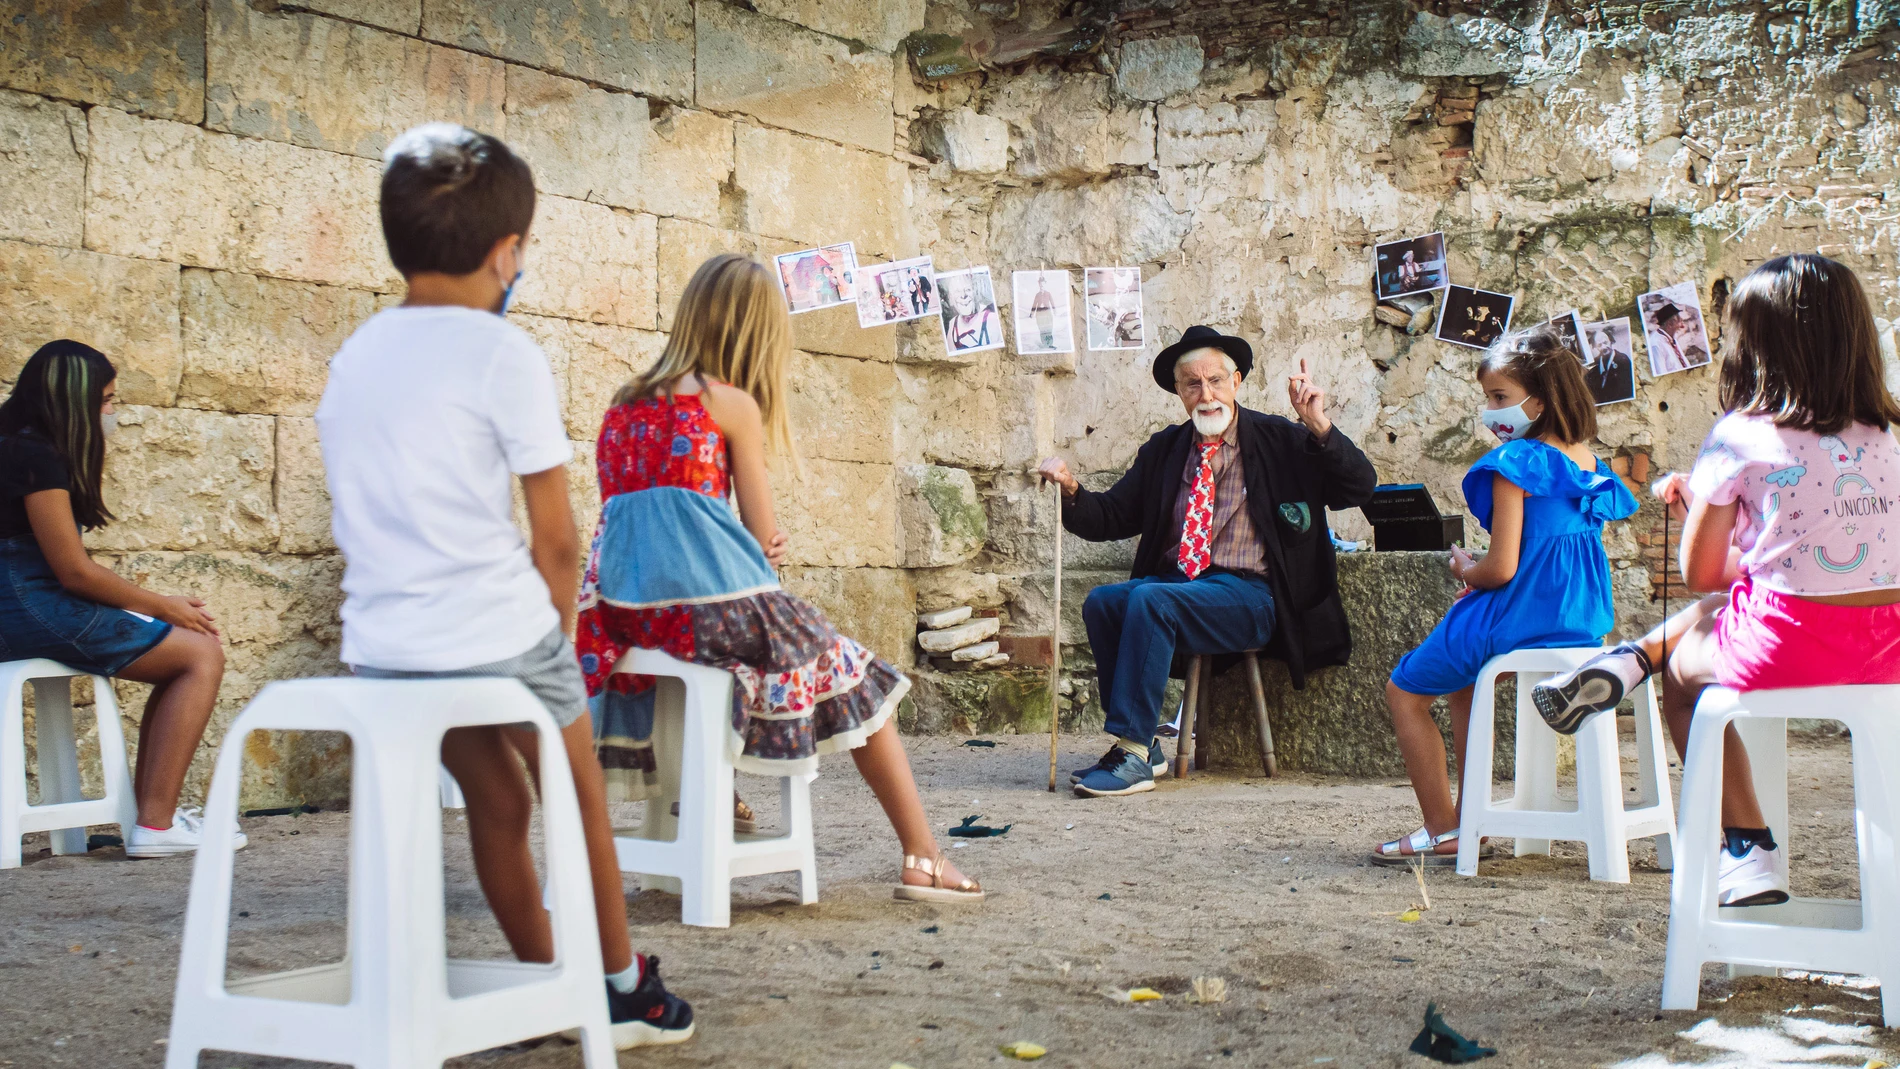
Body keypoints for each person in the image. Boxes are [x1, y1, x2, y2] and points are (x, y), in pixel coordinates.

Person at [314, 123, 693, 1048]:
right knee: (574, 790)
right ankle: (617, 982)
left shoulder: (356, 353)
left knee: (499, 800)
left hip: (386, 648)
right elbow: (556, 540)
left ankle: (544, 974)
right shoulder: (502, 353)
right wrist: (555, 645)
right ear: (506, 252)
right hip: (499, 633)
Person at [575, 253, 984, 904]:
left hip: (621, 616)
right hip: (708, 613)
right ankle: (922, 854)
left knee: (725, 661)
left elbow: (641, 522)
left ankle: (716, 794)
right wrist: (760, 546)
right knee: (858, 676)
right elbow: (761, 549)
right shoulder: (728, 404)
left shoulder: (624, 405)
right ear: (756, 335)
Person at [1533, 253, 1900, 905]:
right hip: (1886, 647)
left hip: (1787, 645)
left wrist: (1698, 514)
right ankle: (1628, 661)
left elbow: (1702, 573)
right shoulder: (1886, 435)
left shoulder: (1740, 435)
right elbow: (1803, 563)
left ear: (1755, 346)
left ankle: (1748, 846)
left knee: (1682, 676)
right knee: (1726, 610)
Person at [1038, 325, 1378, 797]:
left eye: (1216, 380)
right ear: (1179, 392)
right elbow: (1112, 515)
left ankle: (1132, 753)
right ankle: (1143, 746)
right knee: (1104, 602)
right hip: (1183, 589)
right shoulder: (1166, 450)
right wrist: (1072, 489)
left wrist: (1317, 424)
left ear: (1236, 381)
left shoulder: (1280, 439)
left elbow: (1358, 487)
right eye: (1192, 384)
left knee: (1153, 599)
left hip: (1253, 597)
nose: (1206, 394)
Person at [1372, 324, 1638, 864]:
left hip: (1519, 619)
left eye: (1499, 398)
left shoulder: (1516, 463)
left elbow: (1501, 568)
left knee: (1404, 692)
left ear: (1538, 401)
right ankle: (1472, 820)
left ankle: (1443, 829)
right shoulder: (1588, 463)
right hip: (1579, 621)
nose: (1491, 411)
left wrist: (1466, 569)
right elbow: (1550, 551)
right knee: (1463, 683)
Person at [0, 340, 239, 859]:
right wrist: (162, 605)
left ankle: (154, 818)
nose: (112, 412)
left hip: (16, 607)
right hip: (26, 606)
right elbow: (73, 573)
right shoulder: (35, 456)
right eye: (106, 400)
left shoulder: (10, 441)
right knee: (199, 655)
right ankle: (156, 825)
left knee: (176, 654)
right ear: (74, 403)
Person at [942, 273, 1000, 352]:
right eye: (957, 291)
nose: (963, 295)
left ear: (975, 293)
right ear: (950, 298)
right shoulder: (953, 324)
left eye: (968, 290)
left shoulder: (992, 319)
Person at [1648, 301, 1710, 374]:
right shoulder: (1656, 345)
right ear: (1669, 324)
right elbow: (1661, 373)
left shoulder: (1671, 338)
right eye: (1678, 318)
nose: (1681, 319)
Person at [1583, 325, 1635, 405]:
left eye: (1605, 342)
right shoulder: (1594, 363)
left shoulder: (1623, 360)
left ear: (1611, 341)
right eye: (1599, 345)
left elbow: (1628, 389)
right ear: (1595, 347)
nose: (1604, 347)